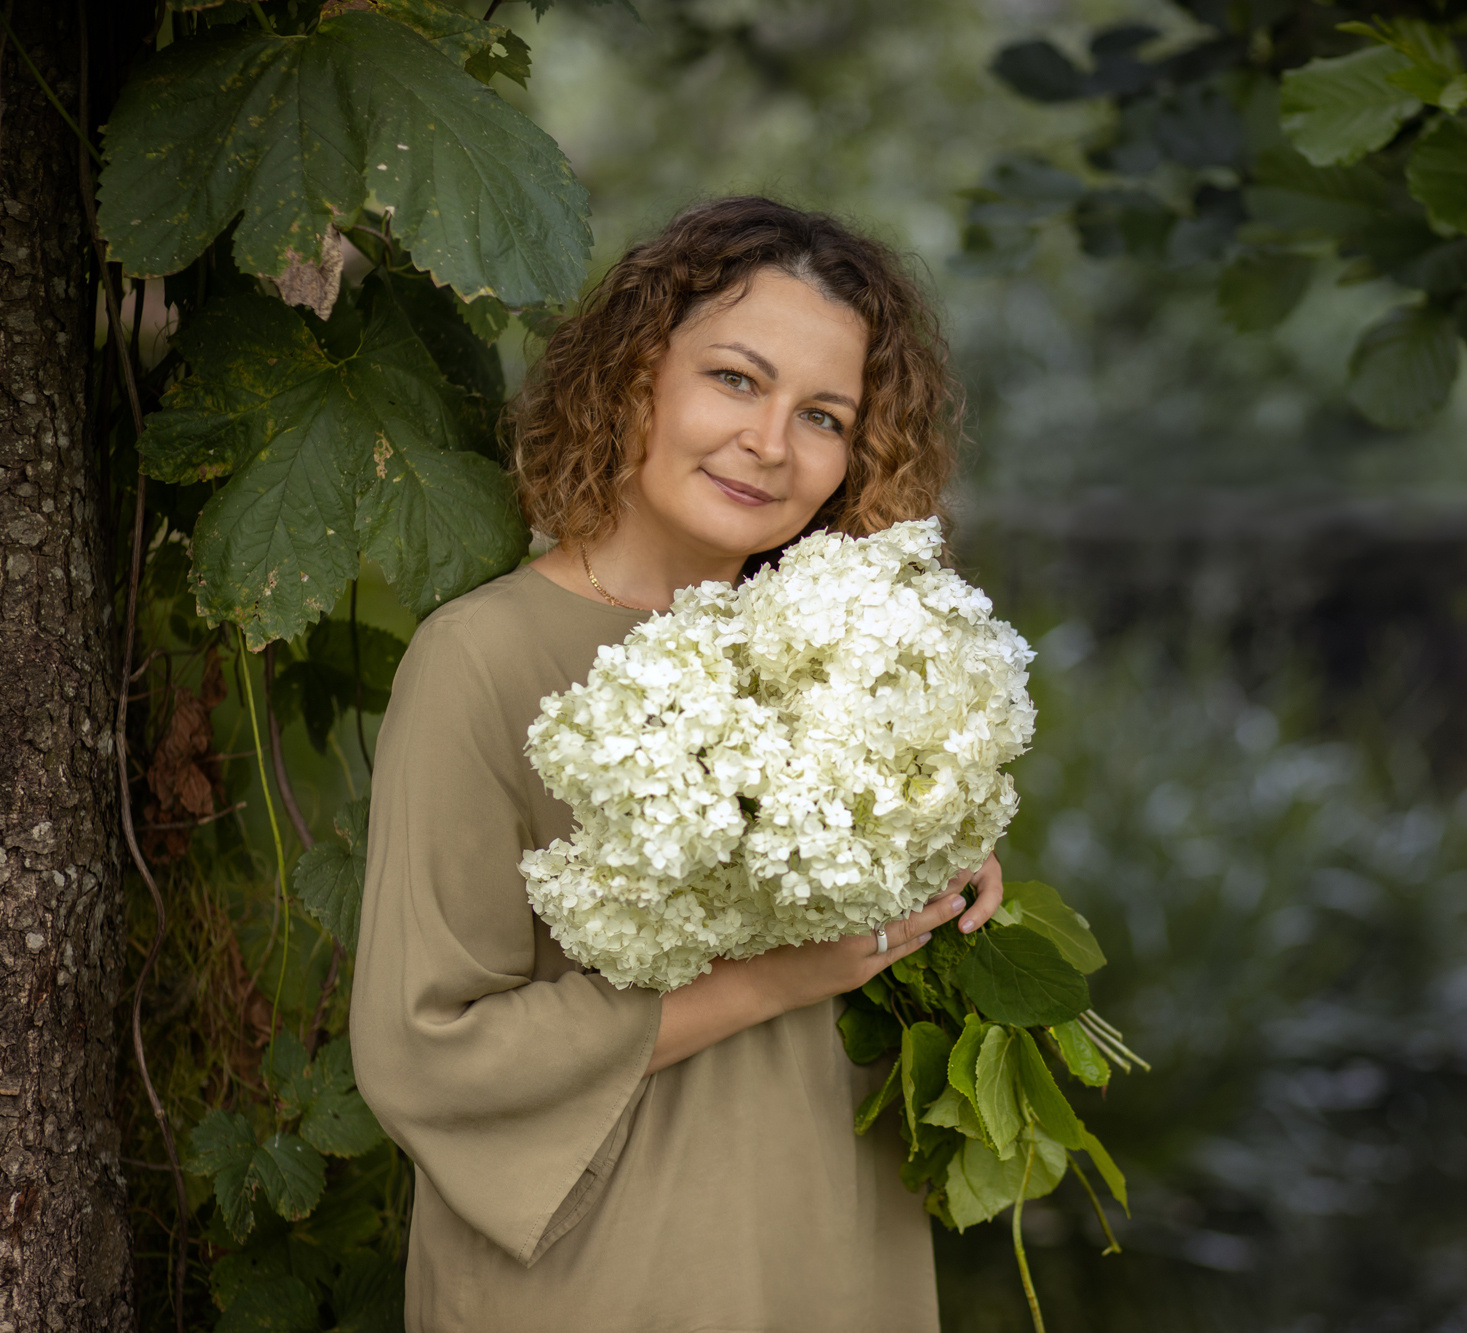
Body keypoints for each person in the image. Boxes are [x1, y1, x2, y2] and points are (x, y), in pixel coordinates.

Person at [350, 196, 1007, 1332]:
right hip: (608, 1267)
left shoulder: (852, 648)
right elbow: (425, 1053)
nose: (770, 444)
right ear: (632, 373)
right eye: (736, 380)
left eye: (824, 416)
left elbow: (860, 931)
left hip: (831, 1235)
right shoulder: (481, 660)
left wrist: (940, 851)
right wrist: (770, 979)